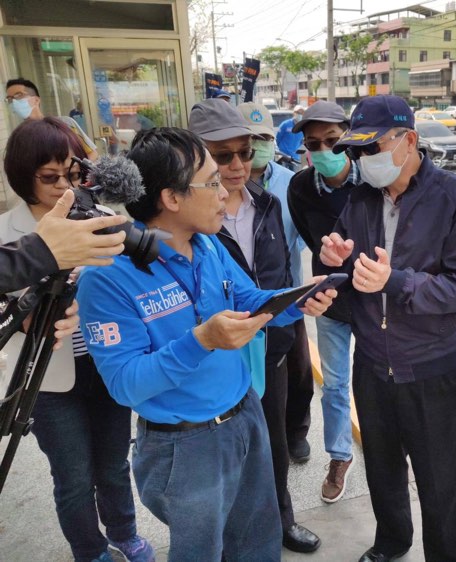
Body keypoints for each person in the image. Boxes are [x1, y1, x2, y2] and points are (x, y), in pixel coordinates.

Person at [76, 127, 335, 562]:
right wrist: (200, 341)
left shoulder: (208, 244)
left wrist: (296, 300)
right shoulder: (107, 276)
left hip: (245, 415)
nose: (226, 190)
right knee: (202, 553)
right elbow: (124, 384)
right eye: (212, 181)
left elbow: (246, 300)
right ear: (171, 198)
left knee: (257, 540)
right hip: (185, 445)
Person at [319, 95, 456, 562]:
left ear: (408, 141)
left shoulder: (454, 197)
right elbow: (351, 268)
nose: (362, 161)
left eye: (371, 149)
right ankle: (392, 542)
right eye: (355, 152)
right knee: (383, 469)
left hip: (432, 367)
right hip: (372, 363)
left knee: (441, 480)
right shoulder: (362, 198)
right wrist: (332, 262)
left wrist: (397, 282)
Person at [0, 117, 154, 562]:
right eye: (49, 177)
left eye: (71, 174)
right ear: (21, 175)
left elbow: (133, 286)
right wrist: (23, 314)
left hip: (106, 365)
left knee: (112, 464)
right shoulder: (8, 233)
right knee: (72, 475)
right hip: (46, 377)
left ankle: (125, 533)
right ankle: (90, 551)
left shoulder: (103, 220)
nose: (63, 187)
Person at [188, 99, 320, 554]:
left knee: (274, 446)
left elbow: (280, 274)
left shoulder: (268, 203)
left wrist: (297, 310)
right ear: (197, 156)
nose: (239, 165)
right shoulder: (193, 221)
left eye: (245, 152)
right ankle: (227, 536)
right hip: (217, 357)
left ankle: (281, 519)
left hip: (273, 347)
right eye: (223, 156)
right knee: (225, 460)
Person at [287, 100, 359, 502]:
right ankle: (339, 455)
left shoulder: (373, 181)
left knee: (382, 379)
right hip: (330, 300)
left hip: (376, 300)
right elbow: (311, 240)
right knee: (334, 384)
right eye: (315, 144)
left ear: (348, 139)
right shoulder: (300, 187)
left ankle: (388, 449)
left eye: (333, 141)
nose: (325, 152)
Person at [237, 101, 314, 464]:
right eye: (252, 139)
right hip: (243, 305)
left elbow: (302, 237)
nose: (259, 145)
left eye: (265, 137)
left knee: (298, 372)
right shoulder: (224, 189)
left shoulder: (289, 183)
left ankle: (297, 432)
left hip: (288, 297)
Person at [0, 189, 126, 293]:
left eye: (74, 174)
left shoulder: (102, 215)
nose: (62, 183)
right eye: (49, 177)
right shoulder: (4, 226)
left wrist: (21, 320)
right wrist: (41, 252)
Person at [6, 78, 98, 159]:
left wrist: (74, 172)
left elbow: (92, 153)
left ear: (36, 100)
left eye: (19, 95)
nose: (13, 101)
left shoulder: (65, 124)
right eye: (9, 99)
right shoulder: (19, 137)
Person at [275, 104, 305, 170]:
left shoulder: (302, 127)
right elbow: (278, 138)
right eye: (298, 112)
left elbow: (301, 141)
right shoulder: (285, 124)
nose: (300, 114)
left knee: (293, 176)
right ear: (294, 113)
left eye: (302, 113)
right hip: (283, 156)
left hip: (294, 157)